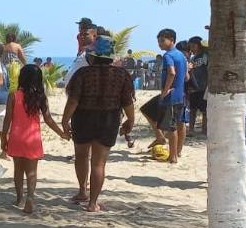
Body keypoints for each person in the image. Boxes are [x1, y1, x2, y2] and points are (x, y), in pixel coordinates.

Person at [62, 36, 136, 213]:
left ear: (92, 56)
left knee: (81, 156)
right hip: (109, 119)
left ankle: (82, 191)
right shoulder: (122, 75)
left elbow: (73, 100)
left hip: (83, 118)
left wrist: (65, 120)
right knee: (98, 163)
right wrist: (130, 120)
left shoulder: (82, 74)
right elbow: (127, 102)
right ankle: (93, 203)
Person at [1, 65, 68, 215]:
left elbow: (7, 119)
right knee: (32, 172)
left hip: (16, 136)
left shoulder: (14, 95)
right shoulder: (41, 97)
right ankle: (30, 198)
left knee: (18, 170)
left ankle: (19, 198)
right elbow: (49, 120)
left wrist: (3, 137)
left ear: (21, 78)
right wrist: (61, 133)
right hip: (33, 138)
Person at [141, 28, 188, 163]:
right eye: (158, 41)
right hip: (181, 95)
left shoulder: (168, 56)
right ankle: (177, 152)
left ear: (171, 40)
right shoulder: (182, 56)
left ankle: (173, 156)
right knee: (180, 123)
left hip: (171, 97)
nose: (160, 44)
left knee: (171, 126)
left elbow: (172, 73)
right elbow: (186, 76)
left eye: (162, 41)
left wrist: (165, 91)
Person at [186, 36, 208, 137]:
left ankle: (204, 130)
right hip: (194, 87)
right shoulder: (193, 57)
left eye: (193, 45)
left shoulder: (204, 56)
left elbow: (194, 66)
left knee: (204, 111)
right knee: (193, 109)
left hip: (203, 86)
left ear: (199, 45)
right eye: (190, 46)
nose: (192, 48)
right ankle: (191, 129)